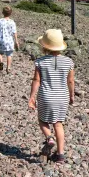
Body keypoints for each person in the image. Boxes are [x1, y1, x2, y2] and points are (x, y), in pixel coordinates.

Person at [28, 29, 75, 163]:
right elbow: (70, 81)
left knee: (42, 120)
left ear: (44, 46)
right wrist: (72, 96)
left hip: (46, 96)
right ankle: (60, 155)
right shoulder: (69, 62)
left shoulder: (40, 62)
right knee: (58, 124)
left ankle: (49, 138)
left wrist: (32, 97)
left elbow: (36, 80)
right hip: (62, 97)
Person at [0, 6, 19, 74]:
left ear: (2, 13)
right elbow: (14, 32)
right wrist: (16, 41)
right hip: (10, 41)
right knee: (9, 54)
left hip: (1, 40)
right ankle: (8, 68)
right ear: (10, 13)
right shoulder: (12, 22)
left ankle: (1, 61)